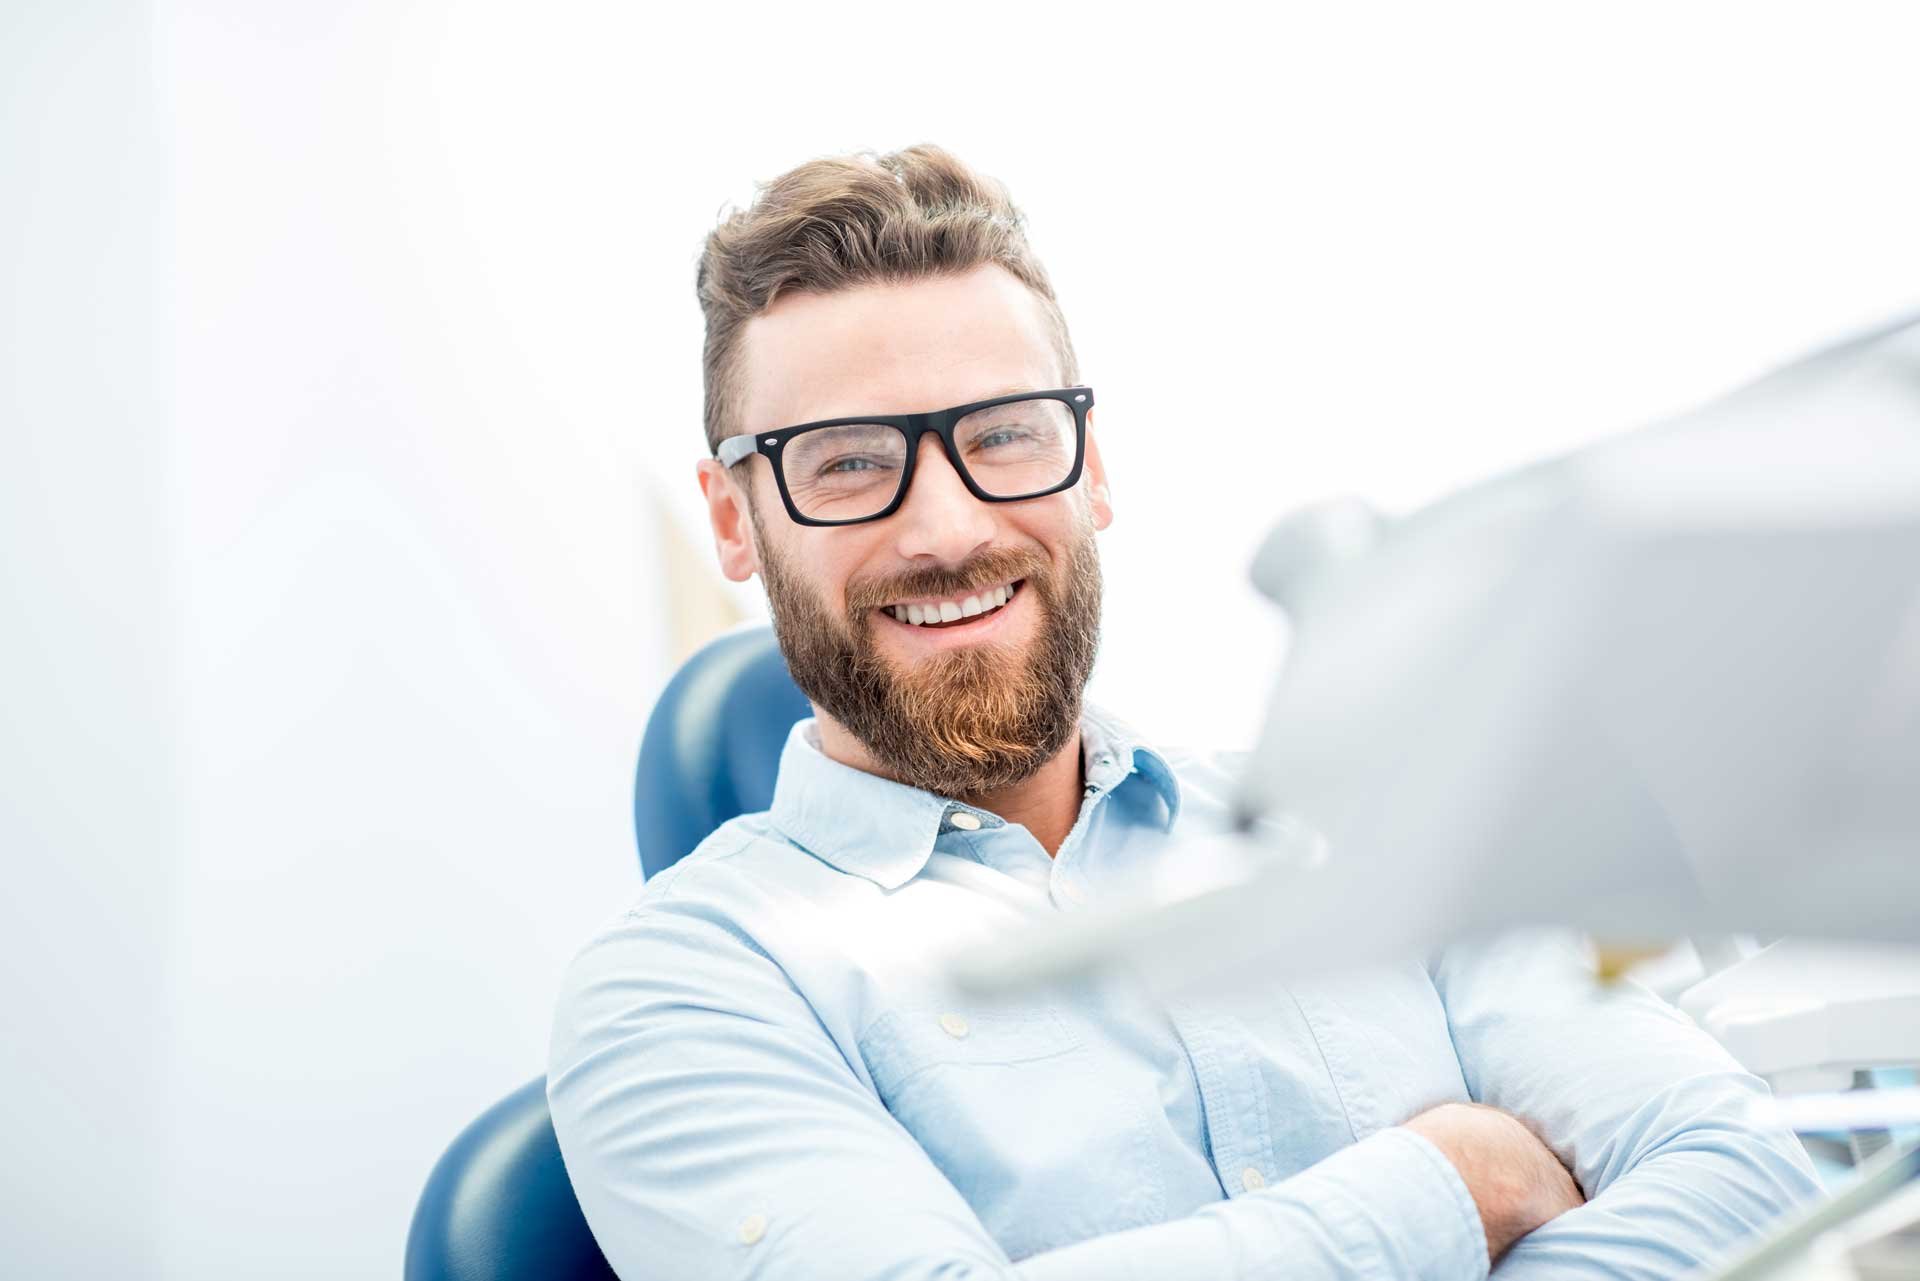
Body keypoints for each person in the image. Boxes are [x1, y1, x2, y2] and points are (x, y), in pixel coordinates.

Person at [547, 144, 1821, 1279]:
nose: (947, 528)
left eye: (1003, 436)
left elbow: (1749, 1181)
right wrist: (1454, 1185)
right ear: (733, 519)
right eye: (849, 465)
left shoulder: (1367, 833)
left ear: (1091, 466)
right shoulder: (680, 991)